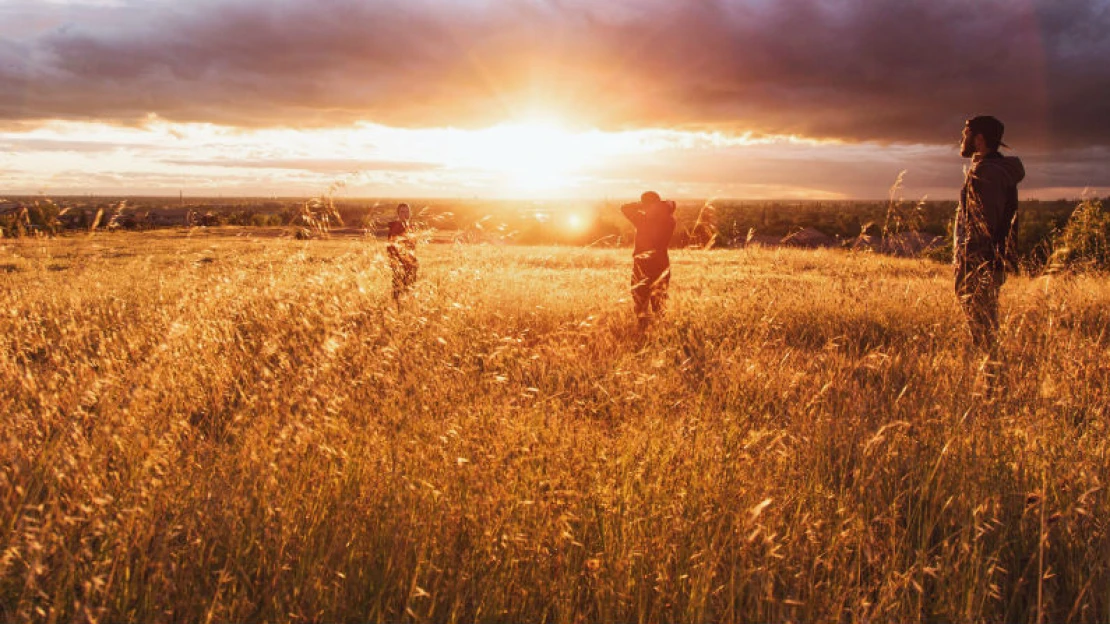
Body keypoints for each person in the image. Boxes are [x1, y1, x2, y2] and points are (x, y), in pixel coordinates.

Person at [954, 115, 1025, 354]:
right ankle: (989, 374)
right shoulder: (988, 170)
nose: (962, 139)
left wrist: (972, 264)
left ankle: (990, 378)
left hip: (981, 265)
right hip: (985, 263)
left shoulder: (988, 174)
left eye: (966, 134)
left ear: (979, 139)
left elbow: (985, 226)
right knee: (984, 327)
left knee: (983, 331)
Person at [621, 191, 677, 330]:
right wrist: (663, 205)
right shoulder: (669, 220)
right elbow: (670, 208)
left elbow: (625, 208)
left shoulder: (642, 220)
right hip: (661, 264)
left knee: (640, 302)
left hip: (642, 266)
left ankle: (643, 331)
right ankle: (661, 332)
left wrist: (642, 205)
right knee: (660, 304)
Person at [387, 202, 419, 301]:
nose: (405, 214)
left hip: (410, 265)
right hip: (400, 265)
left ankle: (404, 311)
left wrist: (414, 261)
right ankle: (396, 312)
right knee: (398, 291)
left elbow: (412, 247)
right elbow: (391, 248)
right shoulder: (396, 227)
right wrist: (397, 264)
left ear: (410, 213)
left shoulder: (410, 227)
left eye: (407, 211)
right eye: (402, 212)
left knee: (409, 291)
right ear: (398, 214)